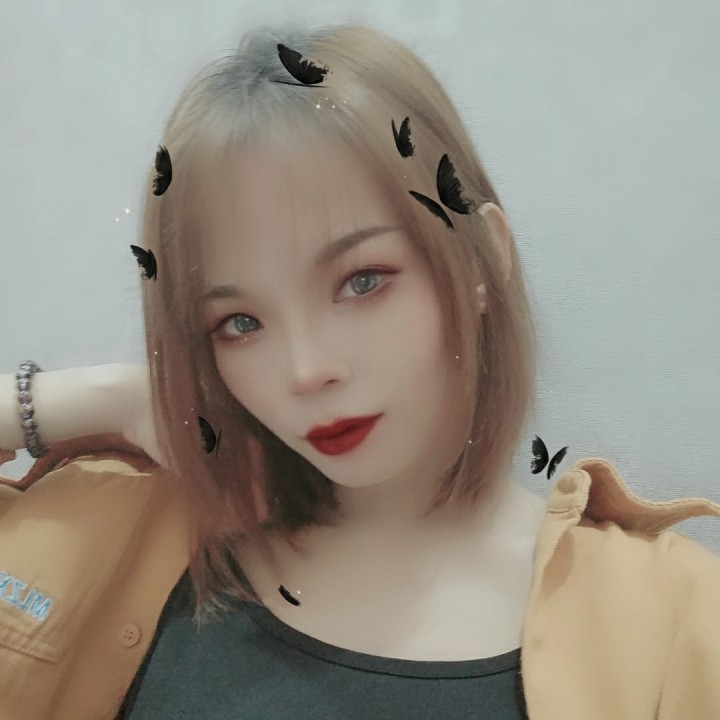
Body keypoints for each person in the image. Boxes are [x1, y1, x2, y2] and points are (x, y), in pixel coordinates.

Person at [1, 21, 720, 720]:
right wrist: (108, 397)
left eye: (362, 281)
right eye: (240, 323)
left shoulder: (676, 619)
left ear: (482, 258)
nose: (306, 371)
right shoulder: (119, 525)